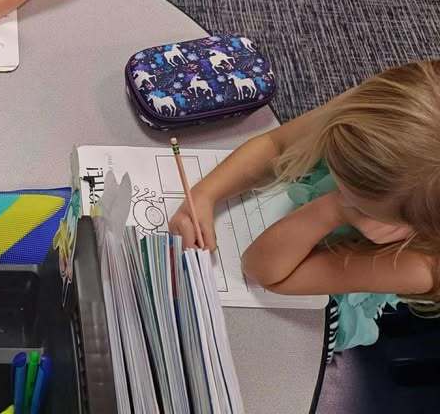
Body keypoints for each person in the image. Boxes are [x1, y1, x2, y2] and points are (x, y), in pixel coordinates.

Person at [170, 60, 440, 350]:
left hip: (324, 305)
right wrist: (204, 194)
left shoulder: (421, 265)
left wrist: (335, 209)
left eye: (352, 194)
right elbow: (277, 144)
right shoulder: (387, 111)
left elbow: (264, 272)